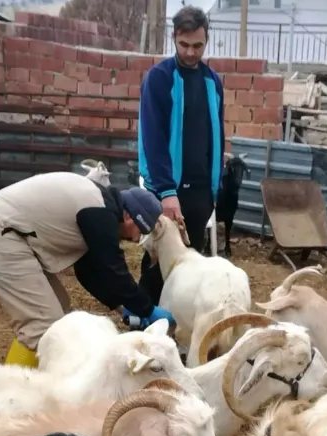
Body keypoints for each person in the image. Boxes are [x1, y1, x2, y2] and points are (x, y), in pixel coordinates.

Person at [0, 171, 176, 367]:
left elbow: (88, 272)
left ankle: (26, 377)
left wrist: (121, 306)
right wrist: (147, 309)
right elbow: (113, 269)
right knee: (45, 326)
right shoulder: (100, 213)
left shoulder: (99, 204)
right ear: (130, 216)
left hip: (6, 230)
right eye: (139, 230)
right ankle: (11, 393)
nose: (135, 238)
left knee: (59, 307)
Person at [135, 5, 225, 309]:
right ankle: (143, 317)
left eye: (197, 45)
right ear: (174, 38)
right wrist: (166, 192)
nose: (190, 52)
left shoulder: (213, 81)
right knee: (157, 260)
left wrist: (215, 187)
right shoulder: (159, 78)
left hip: (201, 191)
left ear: (206, 41)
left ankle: (179, 319)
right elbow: (153, 139)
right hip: (167, 190)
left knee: (190, 263)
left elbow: (216, 135)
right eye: (184, 45)